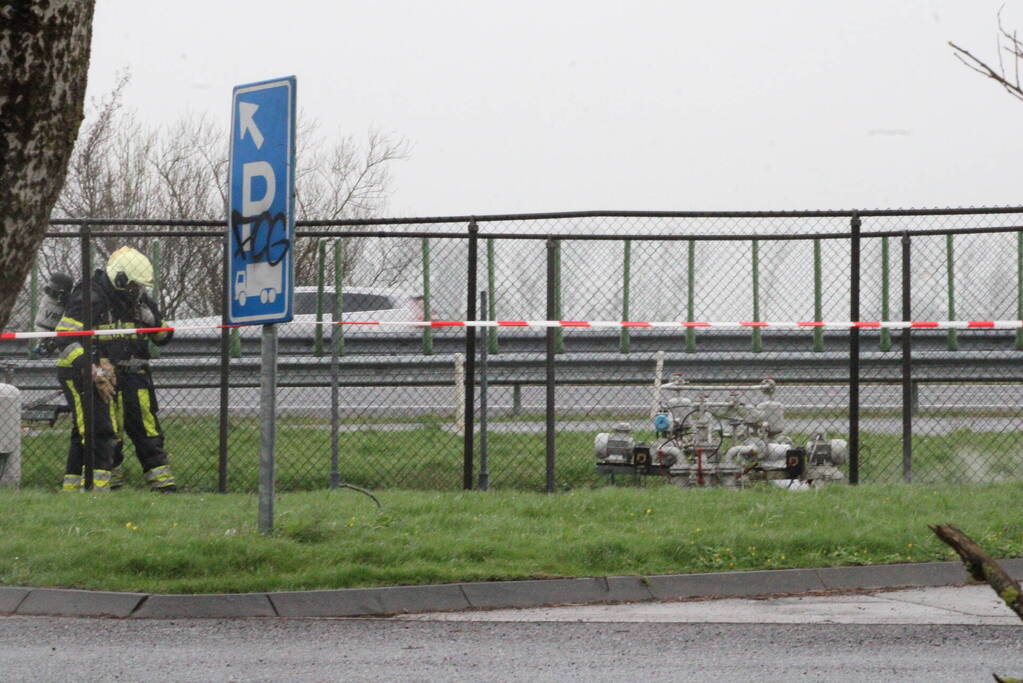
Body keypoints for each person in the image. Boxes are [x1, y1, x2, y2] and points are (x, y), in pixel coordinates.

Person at [54, 246, 177, 492]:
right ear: (120, 279)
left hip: (132, 372)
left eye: (140, 287)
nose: (137, 291)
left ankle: (161, 484)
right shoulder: (91, 295)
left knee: (145, 426)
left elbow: (163, 337)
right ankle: (105, 484)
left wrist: (153, 322)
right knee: (105, 428)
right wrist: (92, 369)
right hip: (98, 371)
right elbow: (65, 338)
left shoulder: (139, 298)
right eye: (133, 286)